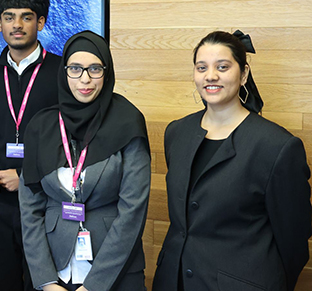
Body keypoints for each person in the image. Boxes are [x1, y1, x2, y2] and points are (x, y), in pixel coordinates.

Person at [152, 31, 312, 291]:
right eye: (201, 67)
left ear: (244, 74)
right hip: (174, 281)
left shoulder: (276, 146)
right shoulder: (176, 133)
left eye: (222, 67)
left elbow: (294, 238)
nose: (210, 76)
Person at [19, 30, 151, 291]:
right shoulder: (42, 126)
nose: (85, 79)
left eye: (95, 69)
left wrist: (94, 286)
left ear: (107, 70)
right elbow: (29, 208)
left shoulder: (128, 121)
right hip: (54, 274)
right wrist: (46, 281)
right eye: (75, 69)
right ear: (64, 71)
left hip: (114, 273)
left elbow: (132, 211)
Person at [0, 0, 62, 291]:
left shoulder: (62, 72)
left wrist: (24, 175)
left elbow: (69, 142)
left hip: (45, 200)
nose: (17, 24)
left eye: (26, 17)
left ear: (40, 22)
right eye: (9, 17)